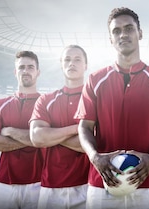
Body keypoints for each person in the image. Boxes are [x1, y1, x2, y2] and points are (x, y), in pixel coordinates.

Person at [75, 7, 149, 209]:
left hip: (148, 183)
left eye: (129, 28)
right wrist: (95, 157)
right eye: (116, 31)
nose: (123, 34)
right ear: (110, 38)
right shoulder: (95, 80)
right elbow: (84, 127)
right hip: (104, 183)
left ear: (139, 33)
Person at [29, 45, 90, 209]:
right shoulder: (46, 100)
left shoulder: (96, 99)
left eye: (77, 59)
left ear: (86, 65)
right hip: (51, 186)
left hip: (89, 185)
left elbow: (95, 143)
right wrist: (79, 129)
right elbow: (37, 138)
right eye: (67, 59)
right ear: (61, 64)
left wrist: (52, 136)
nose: (72, 63)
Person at [0, 51, 43, 209]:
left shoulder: (47, 104)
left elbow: (49, 141)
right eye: (21, 67)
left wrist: (9, 131)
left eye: (30, 67)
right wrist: (35, 140)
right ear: (15, 72)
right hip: (4, 184)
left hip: (41, 182)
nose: (26, 70)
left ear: (38, 72)